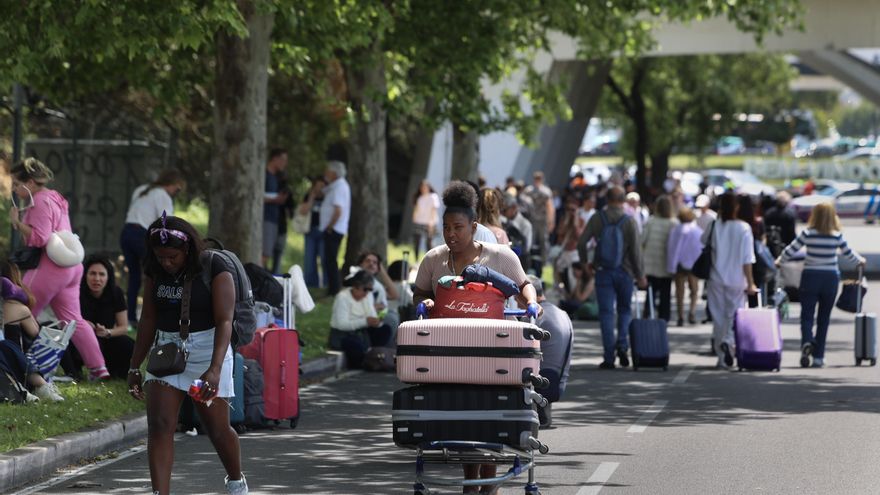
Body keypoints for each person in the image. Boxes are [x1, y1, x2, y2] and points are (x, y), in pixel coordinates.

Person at [412, 181, 540, 493]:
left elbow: (524, 287)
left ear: (473, 226)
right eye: (446, 228)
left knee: (490, 412)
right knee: (465, 413)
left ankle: (487, 482)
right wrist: (426, 301)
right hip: (451, 353)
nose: (451, 234)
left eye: (458, 227)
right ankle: (474, 481)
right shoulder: (433, 259)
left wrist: (532, 303)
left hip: (495, 351)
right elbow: (420, 294)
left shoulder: (499, 256)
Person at [126, 214, 247, 495]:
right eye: (160, 257)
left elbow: (225, 321)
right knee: (160, 425)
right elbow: (148, 319)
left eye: (172, 257)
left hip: (209, 349)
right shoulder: (154, 269)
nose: (166, 263)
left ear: (188, 249)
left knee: (217, 429)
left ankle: (236, 481)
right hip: (167, 351)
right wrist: (134, 366)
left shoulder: (214, 266)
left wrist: (215, 369)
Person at [9, 158, 109, 380]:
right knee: (74, 320)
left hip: (50, 266)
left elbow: (40, 238)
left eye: (17, 183)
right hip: (72, 266)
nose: (14, 189)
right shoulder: (55, 197)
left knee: (20, 310)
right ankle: (99, 369)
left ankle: (18, 364)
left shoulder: (39, 201)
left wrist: (17, 223)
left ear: (30, 183)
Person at [777, 203, 865, 368]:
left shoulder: (807, 233)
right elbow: (849, 253)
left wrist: (780, 260)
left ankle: (807, 341)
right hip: (830, 278)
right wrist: (860, 261)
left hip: (810, 276)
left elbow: (791, 250)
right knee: (824, 318)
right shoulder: (836, 235)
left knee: (807, 315)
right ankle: (818, 357)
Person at [578, 186, 647, 369]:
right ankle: (623, 345)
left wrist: (585, 263)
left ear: (607, 200)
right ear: (623, 201)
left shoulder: (597, 218)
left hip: (603, 271)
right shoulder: (629, 221)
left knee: (606, 313)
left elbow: (582, 242)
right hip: (625, 271)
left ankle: (609, 356)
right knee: (624, 310)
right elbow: (636, 251)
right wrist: (640, 275)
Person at [120, 169, 186, 326]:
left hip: (126, 233)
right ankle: (157, 315)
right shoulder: (163, 196)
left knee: (134, 277)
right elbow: (167, 222)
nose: (175, 193)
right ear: (171, 184)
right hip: (142, 235)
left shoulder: (141, 189)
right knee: (157, 274)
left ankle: (130, 317)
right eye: (177, 189)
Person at [702, 192, 758, 369]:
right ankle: (729, 341)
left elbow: (702, 241)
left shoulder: (714, 225)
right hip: (737, 279)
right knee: (734, 315)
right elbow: (747, 259)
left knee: (718, 317)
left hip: (715, 278)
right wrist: (750, 282)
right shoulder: (743, 228)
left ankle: (721, 357)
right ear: (736, 207)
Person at [79, 255, 136, 379]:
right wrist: (83, 324)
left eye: (102, 274)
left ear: (108, 276)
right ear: (85, 275)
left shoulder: (116, 293)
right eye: (92, 273)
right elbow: (67, 319)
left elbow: (124, 327)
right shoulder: (76, 292)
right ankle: (75, 372)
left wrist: (108, 332)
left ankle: (117, 372)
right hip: (82, 339)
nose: (97, 279)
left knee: (128, 343)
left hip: (106, 338)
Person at [527, 275, 572, 429]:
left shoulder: (535, 316)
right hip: (559, 382)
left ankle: (537, 408)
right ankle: (542, 408)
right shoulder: (562, 313)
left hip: (545, 384)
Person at [328, 270, 392, 369]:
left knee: (385, 329)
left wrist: (376, 321)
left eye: (370, 290)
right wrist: (365, 321)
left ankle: (373, 354)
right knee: (354, 345)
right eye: (365, 289)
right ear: (355, 286)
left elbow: (371, 314)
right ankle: (364, 361)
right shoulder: (342, 297)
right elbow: (341, 324)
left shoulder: (368, 296)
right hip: (343, 334)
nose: (367, 293)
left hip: (362, 332)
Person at [641, 195, 678, 322]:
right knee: (665, 293)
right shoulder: (673, 223)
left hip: (650, 263)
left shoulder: (651, 221)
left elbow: (642, 240)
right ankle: (664, 318)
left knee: (650, 292)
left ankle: (647, 314)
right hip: (666, 263)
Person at [666, 207, 703, 326]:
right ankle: (692, 312)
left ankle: (680, 315)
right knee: (694, 290)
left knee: (679, 292)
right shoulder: (697, 231)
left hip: (679, 265)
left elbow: (672, 249)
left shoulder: (676, 230)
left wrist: (672, 265)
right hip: (693, 264)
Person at [320, 161, 351, 296]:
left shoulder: (340, 187)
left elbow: (338, 210)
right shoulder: (336, 186)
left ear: (334, 173)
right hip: (334, 228)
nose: (325, 174)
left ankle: (333, 290)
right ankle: (332, 288)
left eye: (328, 171)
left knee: (331, 260)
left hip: (334, 229)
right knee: (329, 259)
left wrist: (330, 226)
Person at [355, 250, 401, 332]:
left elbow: (394, 295)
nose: (371, 264)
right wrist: (374, 307)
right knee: (391, 318)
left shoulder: (376, 285)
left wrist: (382, 271)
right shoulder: (354, 280)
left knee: (393, 315)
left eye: (375, 262)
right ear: (361, 264)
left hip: (375, 316)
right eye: (368, 261)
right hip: (358, 318)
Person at [298, 176, 327, 288]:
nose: (320, 189)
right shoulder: (309, 196)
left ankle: (326, 282)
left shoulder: (328, 197)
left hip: (324, 231)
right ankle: (311, 283)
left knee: (324, 257)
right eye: (318, 186)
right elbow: (303, 211)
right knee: (309, 258)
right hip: (310, 230)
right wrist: (311, 197)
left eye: (322, 186)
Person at [263, 148, 290, 269]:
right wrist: (274, 199)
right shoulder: (264, 174)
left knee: (268, 254)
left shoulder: (277, 177)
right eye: (283, 159)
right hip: (266, 218)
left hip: (275, 219)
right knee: (264, 254)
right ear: (274, 158)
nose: (284, 163)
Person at [523, 171, 555, 270]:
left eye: (539, 178)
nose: (537, 180)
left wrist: (551, 221)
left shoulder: (545, 191)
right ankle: (529, 260)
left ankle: (545, 262)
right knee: (530, 240)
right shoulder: (529, 191)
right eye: (536, 178)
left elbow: (550, 207)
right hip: (532, 219)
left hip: (542, 220)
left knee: (543, 241)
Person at [271, 170, 296, 274]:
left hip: (280, 225)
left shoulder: (284, 190)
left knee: (277, 251)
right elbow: (291, 212)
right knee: (276, 252)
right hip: (276, 224)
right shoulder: (277, 189)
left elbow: (290, 211)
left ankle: (275, 273)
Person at [501, 193, 533, 270]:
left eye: (504, 210)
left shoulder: (525, 225)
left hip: (519, 264)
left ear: (514, 208)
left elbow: (525, 248)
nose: (502, 213)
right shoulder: (503, 222)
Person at [763, 191, 797, 258]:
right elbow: (792, 232)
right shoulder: (790, 213)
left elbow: (766, 230)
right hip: (786, 245)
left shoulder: (768, 213)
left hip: (771, 244)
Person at [412, 180, 440, 259]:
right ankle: (416, 260)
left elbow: (434, 210)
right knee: (416, 242)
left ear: (428, 188)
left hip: (429, 223)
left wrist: (432, 222)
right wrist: (414, 217)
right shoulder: (419, 198)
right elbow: (416, 209)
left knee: (429, 242)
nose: (423, 189)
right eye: (422, 187)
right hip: (419, 221)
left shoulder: (433, 196)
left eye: (425, 187)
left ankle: (431, 260)